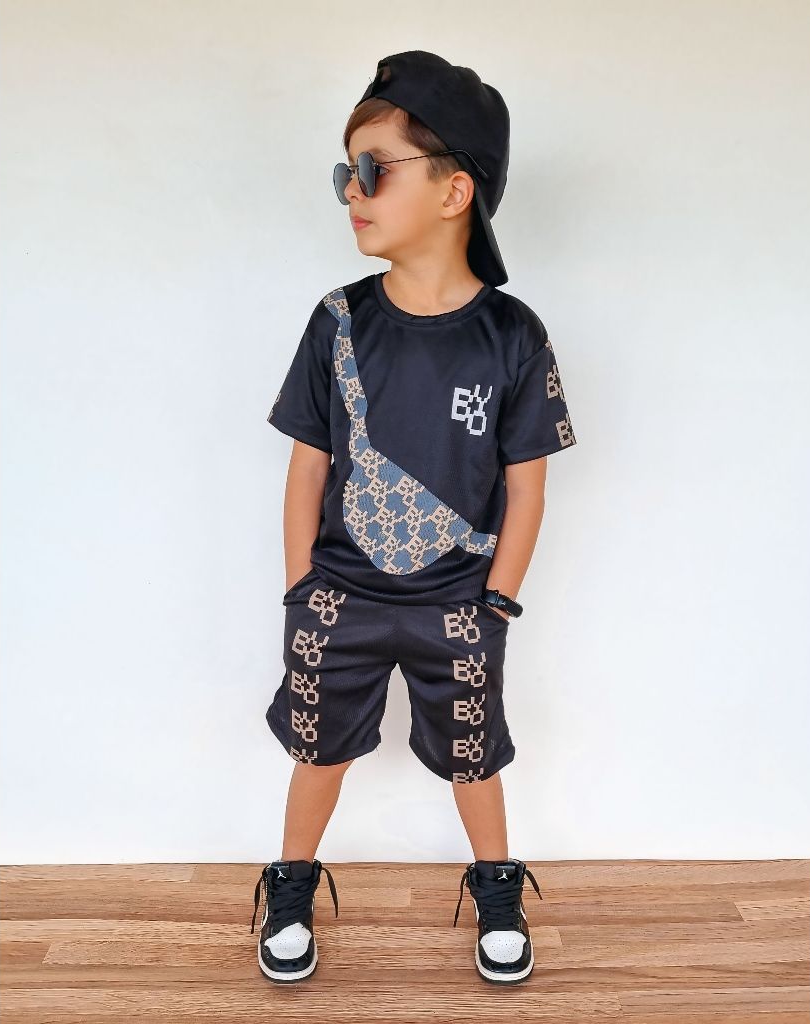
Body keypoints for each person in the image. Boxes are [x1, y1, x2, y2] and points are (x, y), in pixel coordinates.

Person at [250, 50, 576, 985]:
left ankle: (497, 884)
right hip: (339, 597)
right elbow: (307, 468)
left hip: (458, 605)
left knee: (473, 753)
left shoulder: (514, 336)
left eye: (373, 169)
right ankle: (290, 881)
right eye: (345, 172)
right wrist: (301, 588)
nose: (351, 191)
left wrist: (497, 603)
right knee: (319, 749)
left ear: (454, 191)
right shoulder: (338, 322)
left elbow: (526, 488)